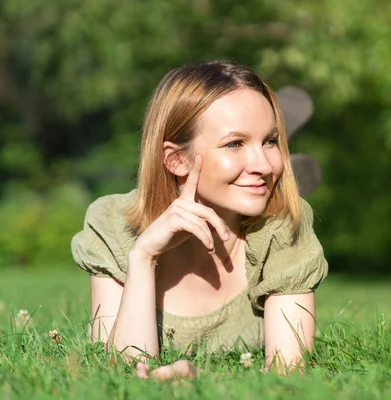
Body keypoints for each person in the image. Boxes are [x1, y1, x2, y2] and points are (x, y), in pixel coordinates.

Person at [71, 60, 328, 377]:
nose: (264, 164)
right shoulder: (112, 224)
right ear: (177, 159)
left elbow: (288, 373)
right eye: (235, 144)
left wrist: (198, 378)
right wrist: (143, 255)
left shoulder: (283, 224)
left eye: (271, 141)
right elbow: (122, 370)